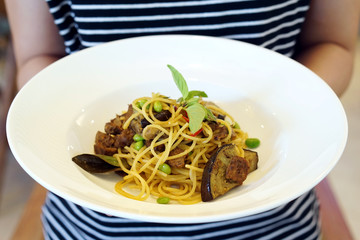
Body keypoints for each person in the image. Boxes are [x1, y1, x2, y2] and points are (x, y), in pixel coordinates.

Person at [5, 0, 360, 239]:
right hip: (94, 227)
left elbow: (334, 43)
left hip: (271, 224)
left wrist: (293, 104)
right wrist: (57, 100)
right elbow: (38, 56)